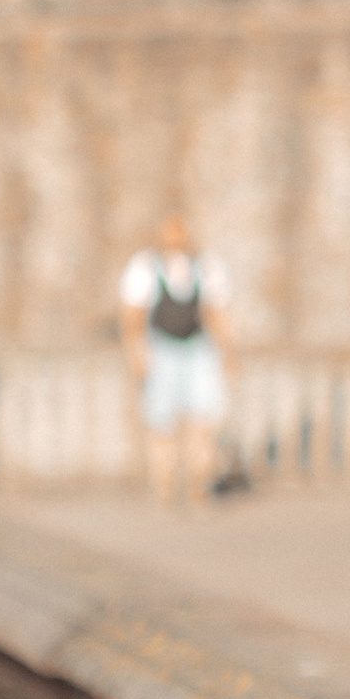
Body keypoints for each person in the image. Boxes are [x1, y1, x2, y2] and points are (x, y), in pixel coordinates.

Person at [119, 214, 233, 507]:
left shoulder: (205, 267)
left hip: (197, 348)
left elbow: (216, 312)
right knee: (161, 423)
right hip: (161, 348)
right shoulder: (145, 267)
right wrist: (137, 352)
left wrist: (227, 353)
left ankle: (199, 485)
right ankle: (164, 487)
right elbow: (133, 315)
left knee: (202, 420)